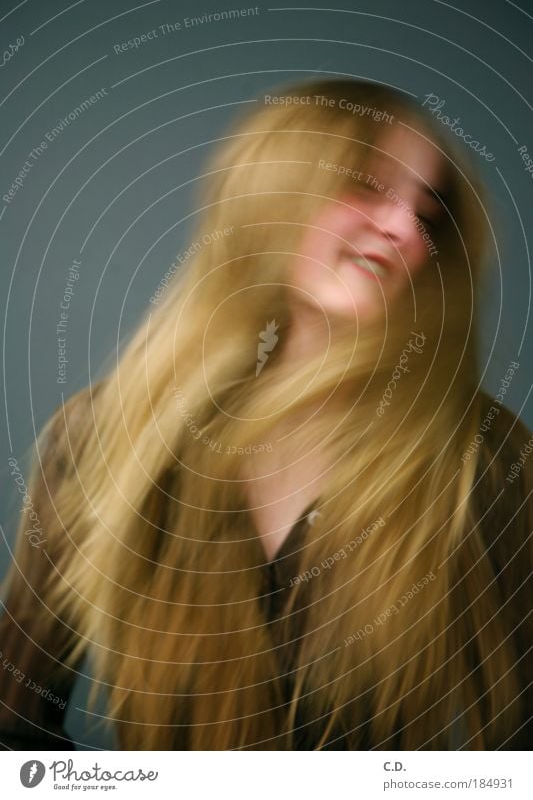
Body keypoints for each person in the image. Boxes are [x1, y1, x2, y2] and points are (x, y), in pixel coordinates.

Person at [1, 78, 531, 751]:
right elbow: (12, 727)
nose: (402, 227)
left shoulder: (486, 459)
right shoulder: (102, 438)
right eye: (367, 184)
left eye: (426, 211)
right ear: (273, 191)